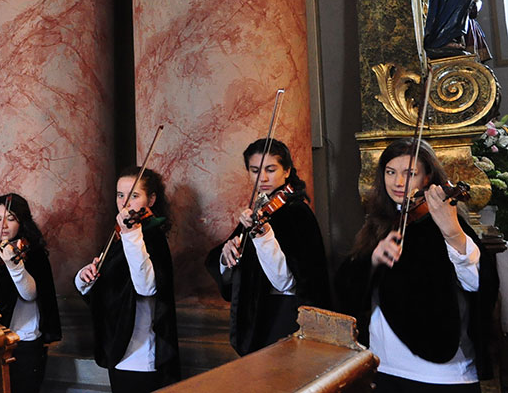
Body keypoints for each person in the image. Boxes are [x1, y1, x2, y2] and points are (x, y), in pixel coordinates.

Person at [336, 139, 498, 391]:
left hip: (438, 372)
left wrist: (452, 232)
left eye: (409, 173)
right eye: (390, 172)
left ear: (427, 177)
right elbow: (346, 289)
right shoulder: (381, 222)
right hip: (382, 364)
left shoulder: (446, 223)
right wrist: (372, 259)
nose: (398, 182)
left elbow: (478, 281)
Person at [204, 138, 330, 356]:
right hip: (260, 315)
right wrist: (227, 255)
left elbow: (290, 281)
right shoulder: (260, 212)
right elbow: (226, 259)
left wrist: (262, 236)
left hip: (286, 317)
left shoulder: (297, 213)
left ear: (287, 171)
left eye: (270, 170)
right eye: (254, 171)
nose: (262, 178)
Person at [75, 167, 179, 393]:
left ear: (150, 199)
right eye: (120, 195)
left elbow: (147, 287)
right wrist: (85, 276)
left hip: (142, 355)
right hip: (118, 348)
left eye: (134, 196)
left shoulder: (151, 236)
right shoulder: (118, 236)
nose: (125, 203)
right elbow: (108, 288)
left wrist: (132, 234)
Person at [0, 194, 61, 393]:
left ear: (22, 222)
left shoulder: (33, 256)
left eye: (10, 219)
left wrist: (14, 265)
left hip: (25, 345)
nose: (3, 226)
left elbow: (30, 294)